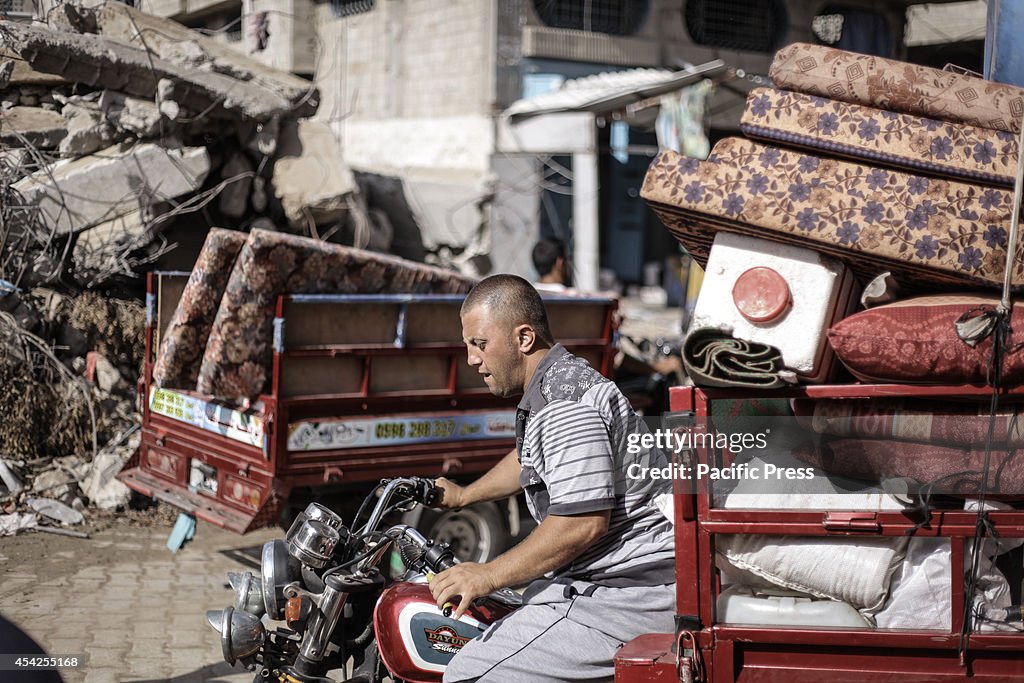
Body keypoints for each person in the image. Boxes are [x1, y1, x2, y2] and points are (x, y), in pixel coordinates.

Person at [430, 274, 676, 683]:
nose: (472, 359)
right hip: (614, 584)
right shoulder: (558, 381)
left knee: (468, 675)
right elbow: (532, 459)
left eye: (480, 344)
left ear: (523, 338)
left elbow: (581, 524)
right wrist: (463, 496)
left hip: (623, 594)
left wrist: (486, 574)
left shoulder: (564, 407)